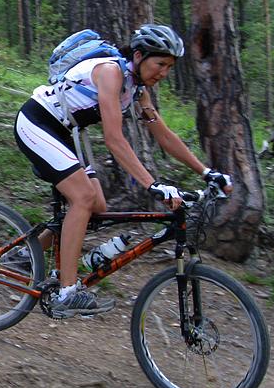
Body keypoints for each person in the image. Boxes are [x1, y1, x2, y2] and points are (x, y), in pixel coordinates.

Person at [13, 24, 233, 319]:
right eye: (161, 64)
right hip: (37, 123)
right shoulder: (110, 73)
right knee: (82, 198)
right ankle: (67, 292)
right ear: (140, 56)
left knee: (97, 206)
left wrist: (206, 172)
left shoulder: (138, 90)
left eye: (170, 67)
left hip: (66, 133)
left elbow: (164, 136)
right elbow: (114, 139)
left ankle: (27, 256)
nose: (164, 73)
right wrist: (152, 185)